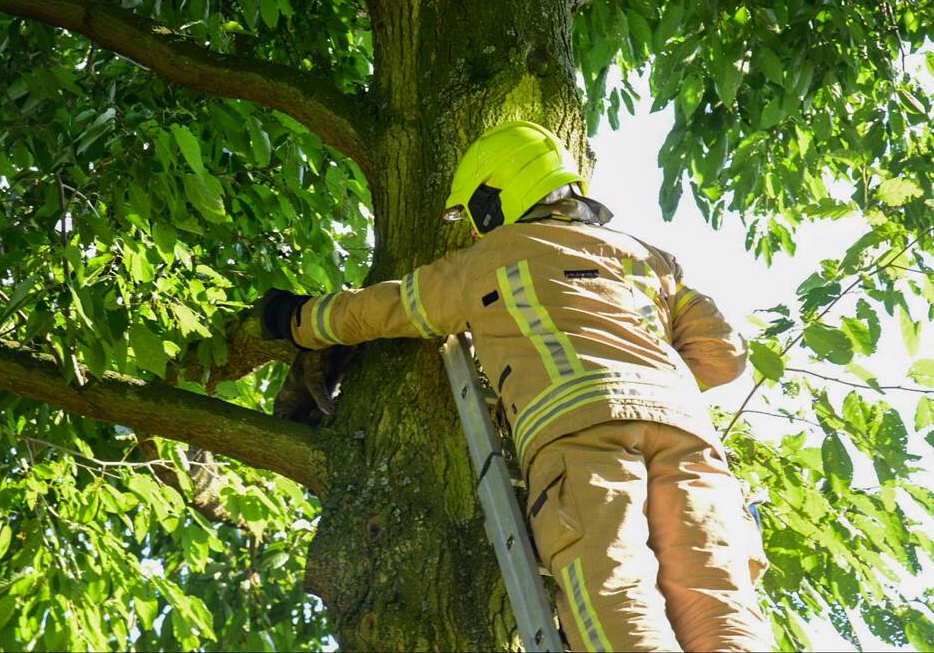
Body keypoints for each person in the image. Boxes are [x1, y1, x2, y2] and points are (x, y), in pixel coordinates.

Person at [259, 121, 773, 652]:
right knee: (720, 603)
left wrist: (293, 318)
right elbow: (724, 357)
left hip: (582, 441)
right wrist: (650, 381)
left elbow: (383, 307)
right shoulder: (652, 260)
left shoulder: (489, 260)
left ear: (494, 198)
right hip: (688, 439)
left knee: (615, 597)